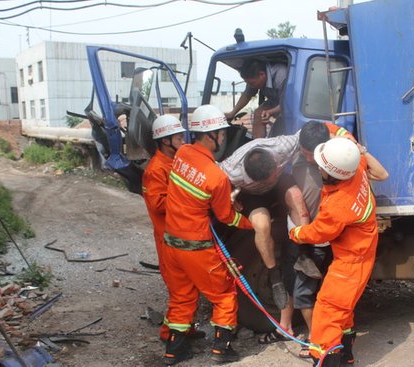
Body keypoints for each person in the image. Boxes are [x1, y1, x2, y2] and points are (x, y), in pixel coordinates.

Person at [162, 104, 253, 365]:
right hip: (196, 247)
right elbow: (226, 217)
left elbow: (192, 193)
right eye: (221, 134)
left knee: (182, 296)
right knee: (224, 294)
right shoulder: (217, 176)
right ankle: (221, 349)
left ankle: (174, 350)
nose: (223, 138)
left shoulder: (182, 154)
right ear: (212, 135)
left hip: (172, 244)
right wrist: (251, 224)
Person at [292, 120, 389, 360]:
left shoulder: (339, 204)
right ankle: (346, 355)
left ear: (331, 173)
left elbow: (319, 233)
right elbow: (329, 127)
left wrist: (295, 233)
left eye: (321, 165)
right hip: (361, 251)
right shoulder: (354, 164)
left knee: (328, 309)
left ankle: (326, 358)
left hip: (350, 262)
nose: (318, 167)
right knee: (343, 310)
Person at [218, 132, 310, 342]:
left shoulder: (281, 146)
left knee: (297, 199)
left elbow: (312, 130)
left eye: (274, 173)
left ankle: (304, 251)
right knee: (261, 225)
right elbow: (212, 182)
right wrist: (228, 199)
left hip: (278, 186)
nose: (272, 177)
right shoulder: (231, 170)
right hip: (251, 195)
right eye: (268, 178)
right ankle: (274, 273)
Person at [141, 115, 186, 341]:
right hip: (168, 240)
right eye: (178, 136)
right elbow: (158, 205)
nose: (183, 139)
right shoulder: (156, 170)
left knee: (188, 290)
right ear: (165, 141)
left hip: (182, 236)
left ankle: (186, 330)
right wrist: (188, 197)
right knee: (180, 293)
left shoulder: (176, 162)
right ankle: (170, 335)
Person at [224, 59, 288, 139]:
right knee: (259, 113)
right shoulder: (254, 78)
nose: (251, 86)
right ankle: (257, 144)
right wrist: (232, 113)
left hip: (292, 103)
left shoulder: (281, 75)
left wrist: (270, 112)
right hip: (275, 100)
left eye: (252, 83)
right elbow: (247, 95)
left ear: (262, 74)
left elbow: (287, 103)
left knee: (282, 124)